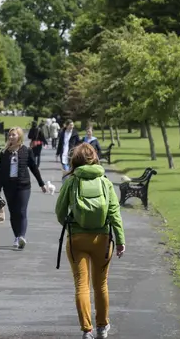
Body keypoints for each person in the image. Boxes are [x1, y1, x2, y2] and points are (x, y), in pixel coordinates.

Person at [55, 143, 126, 339]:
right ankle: (103, 327)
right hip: (102, 239)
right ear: (94, 158)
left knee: (81, 285)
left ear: (75, 160)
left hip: (77, 239)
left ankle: (87, 330)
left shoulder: (70, 181)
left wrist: (71, 223)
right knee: (101, 284)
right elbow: (114, 213)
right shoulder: (105, 181)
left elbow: (60, 212)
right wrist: (120, 241)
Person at [0, 127, 47, 249]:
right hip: (9, 186)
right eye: (10, 135)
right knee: (13, 213)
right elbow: (0, 172)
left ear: (19, 136)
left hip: (23, 185)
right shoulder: (4, 152)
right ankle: (17, 237)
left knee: (21, 211)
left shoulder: (26, 150)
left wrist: (42, 184)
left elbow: (34, 168)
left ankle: (22, 236)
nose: (11, 137)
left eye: (13, 135)